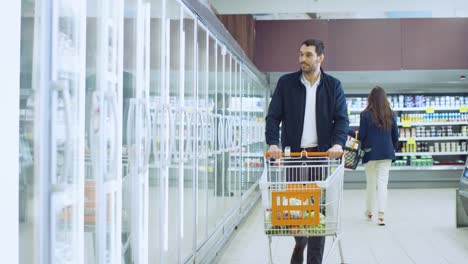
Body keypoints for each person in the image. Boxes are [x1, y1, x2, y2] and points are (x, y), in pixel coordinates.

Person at [265, 39, 349, 264]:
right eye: (301, 54)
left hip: (319, 157)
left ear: (321, 58)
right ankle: (300, 242)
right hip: (293, 158)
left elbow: (341, 120)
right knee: (296, 210)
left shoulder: (334, 86)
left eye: (308, 55)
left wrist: (338, 144)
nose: (302, 59)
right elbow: (273, 117)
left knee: (318, 213)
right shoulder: (286, 84)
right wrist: (273, 144)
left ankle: (314, 260)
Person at [356, 86, 399, 226]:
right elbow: (395, 136)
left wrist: (351, 133)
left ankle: (369, 212)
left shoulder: (365, 115)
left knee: (371, 184)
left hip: (370, 153)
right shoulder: (391, 114)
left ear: (371, 98)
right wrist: (391, 148)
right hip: (386, 153)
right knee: (382, 184)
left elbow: (361, 136)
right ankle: (381, 215)